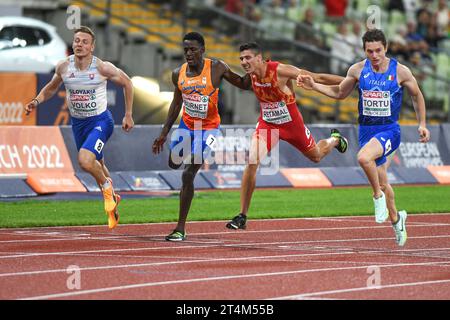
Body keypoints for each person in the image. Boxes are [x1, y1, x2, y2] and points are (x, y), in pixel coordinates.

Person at [296, 29, 431, 246]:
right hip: (366, 131)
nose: (375, 55)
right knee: (383, 179)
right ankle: (397, 219)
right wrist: (314, 86)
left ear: (386, 48)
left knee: (363, 159)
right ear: (364, 51)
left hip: (389, 130)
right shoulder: (358, 70)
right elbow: (339, 93)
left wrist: (422, 124)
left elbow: (417, 96)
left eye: (378, 50)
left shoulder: (401, 71)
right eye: (370, 51)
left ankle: (376, 197)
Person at [225, 42, 347, 231]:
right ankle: (242, 216)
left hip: (291, 124)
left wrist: (354, 80)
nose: (243, 62)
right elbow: (239, 82)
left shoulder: (280, 70)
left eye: (247, 57)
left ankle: (335, 139)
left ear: (259, 58)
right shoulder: (251, 75)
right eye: (241, 58)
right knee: (252, 161)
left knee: (316, 156)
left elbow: (317, 77)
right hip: (268, 124)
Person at [24, 26, 134, 229]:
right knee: (97, 164)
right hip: (79, 124)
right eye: (76, 41)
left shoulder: (102, 67)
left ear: (92, 47)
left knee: (85, 160)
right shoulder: (64, 67)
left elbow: (128, 83)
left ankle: (107, 188)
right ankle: (113, 201)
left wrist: (128, 114)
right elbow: (51, 88)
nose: (79, 45)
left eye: (84, 42)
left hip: (101, 121)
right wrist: (36, 101)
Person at [152, 32, 250, 241]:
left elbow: (243, 84)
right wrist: (163, 133)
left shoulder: (217, 68)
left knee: (188, 175)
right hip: (187, 126)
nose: (188, 53)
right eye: (185, 49)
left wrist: (254, 69)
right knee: (173, 163)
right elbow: (176, 104)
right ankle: (189, 151)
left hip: (209, 129)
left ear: (203, 49)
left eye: (193, 49)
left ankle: (180, 228)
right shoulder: (178, 73)